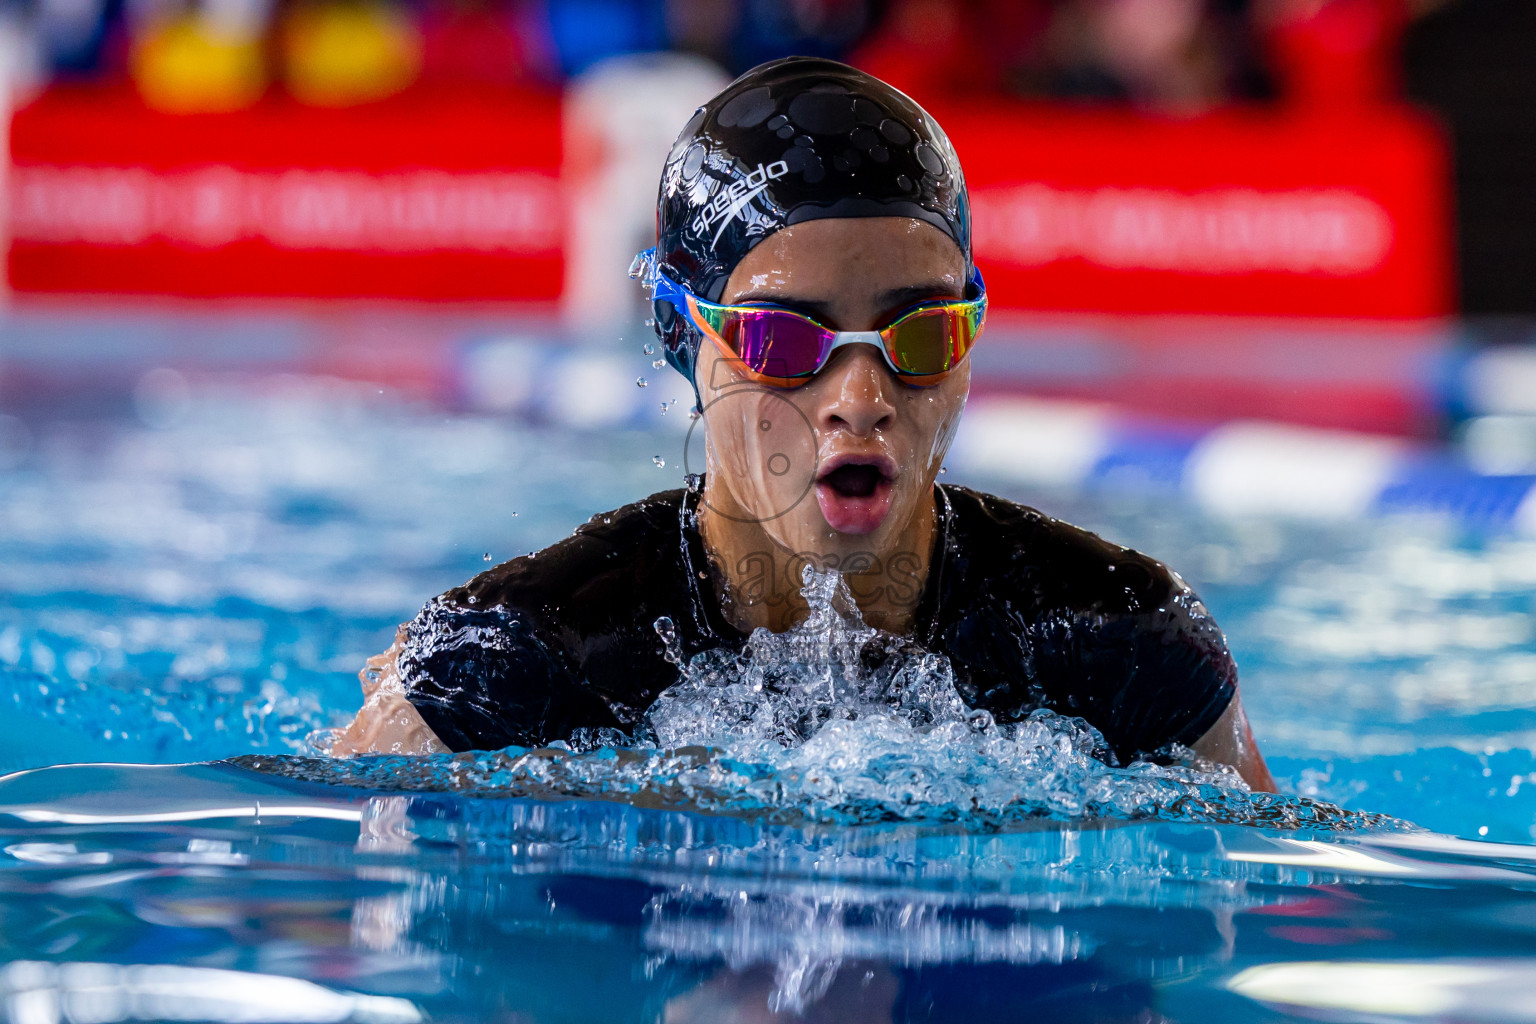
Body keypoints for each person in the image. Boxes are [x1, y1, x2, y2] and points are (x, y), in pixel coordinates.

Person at [331, 55, 1274, 791]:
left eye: (923, 332)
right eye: (784, 339)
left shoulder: (1121, 638)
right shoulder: (520, 660)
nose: (860, 397)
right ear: (680, 333)